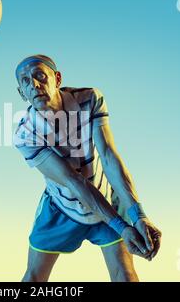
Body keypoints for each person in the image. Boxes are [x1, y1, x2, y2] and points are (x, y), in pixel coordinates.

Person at [13, 54, 162, 282]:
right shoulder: (25, 135)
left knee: (125, 275)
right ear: (21, 93)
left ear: (58, 78)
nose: (33, 84)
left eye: (40, 75)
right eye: (25, 81)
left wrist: (138, 215)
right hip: (63, 208)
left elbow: (109, 156)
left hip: (107, 200)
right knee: (34, 278)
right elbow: (73, 181)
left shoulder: (90, 99)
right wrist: (122, 227)